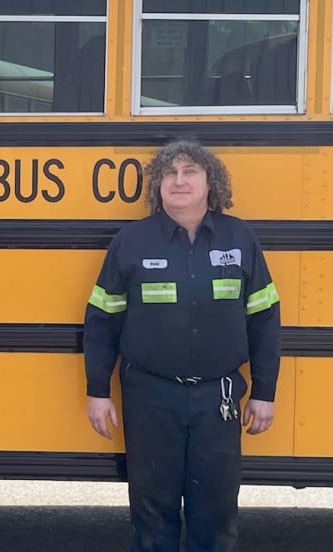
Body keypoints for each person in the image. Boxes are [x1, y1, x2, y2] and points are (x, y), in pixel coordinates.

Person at [83, 139, 280, 552]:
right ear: (158, 185)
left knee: (217, 510)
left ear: (211, 182)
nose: (179, 181)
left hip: (218, 397)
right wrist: (97, 391)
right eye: (170, 174)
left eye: (190, 171)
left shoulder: (240, 238)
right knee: (153, 510)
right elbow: (102, 320)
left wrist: (264, 392)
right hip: (150, 395)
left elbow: (264, 320)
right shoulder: (131, 241)